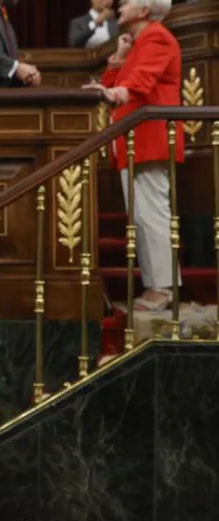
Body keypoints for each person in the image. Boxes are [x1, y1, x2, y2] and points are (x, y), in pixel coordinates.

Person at [83, 0, 183, 311]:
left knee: (152, 214)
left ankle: (163, 288)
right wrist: (120, 56)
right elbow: (116, 82)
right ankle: (157, 285)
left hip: (149, 139)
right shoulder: (139, 41)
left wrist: (115, 93)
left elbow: (139, 82)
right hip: (133, 142)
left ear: (143, 11)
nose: (120, 5)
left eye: (126, 2)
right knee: (141, 215)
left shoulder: (157, 37)